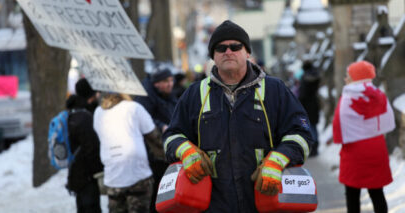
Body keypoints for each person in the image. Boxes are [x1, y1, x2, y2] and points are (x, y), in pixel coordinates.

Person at [162, 20, 314, 212]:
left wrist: (279, 159)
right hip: (215, 206)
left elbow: (301, 135)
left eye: (235, 46)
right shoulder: (194, 94)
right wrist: (186, 152)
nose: (228, 51)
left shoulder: (275, 90)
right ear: (213, 56)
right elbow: (171, 136)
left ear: (247, 52)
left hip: (264, 204)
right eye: (221, 48)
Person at [333, 61, 395, 213]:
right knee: (377, 192)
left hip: (354, 151)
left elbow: (338, 124)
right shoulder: (378, 94)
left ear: (356, 77)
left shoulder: (348, 96)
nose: (345, 79)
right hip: (376, 148)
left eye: (348, 76)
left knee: (353, 194)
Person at [94, 92, 164, 213]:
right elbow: (155, 137)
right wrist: (164, 155)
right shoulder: (134, 108)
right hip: (137, 173)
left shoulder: (98, 112)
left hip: (113, 176)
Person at [134, 68, 177, 213]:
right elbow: (145, 119)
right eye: (165, 81)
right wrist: (161, 126)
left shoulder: (169, 96)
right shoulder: (146, 97)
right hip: (154, 152)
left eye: (171, 80)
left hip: (167, 148)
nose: (170, 84)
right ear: (156, 83)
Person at [65, 78, 103, 213]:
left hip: (76, 173)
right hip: (86, 176)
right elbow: (91, 148)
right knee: (90, 208)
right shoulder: (85, 118)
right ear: (91, 95)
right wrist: (99, 170)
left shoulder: (73, 112)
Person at [298, 60, 321, 156]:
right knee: (313, 126)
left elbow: (302, 94)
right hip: (314, 104)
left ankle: (312, 146)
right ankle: (315, 146)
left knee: (308, 126)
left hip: (306, 106)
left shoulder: (305, 79)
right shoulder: (315, 76)